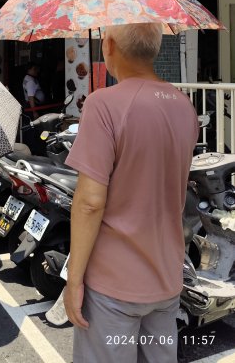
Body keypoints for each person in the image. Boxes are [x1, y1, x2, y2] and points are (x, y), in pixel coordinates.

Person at [63, 23, 199, 363]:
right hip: (167, 277)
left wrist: (74, 279)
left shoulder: (102, 105)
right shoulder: (184, 106)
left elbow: (90, 202)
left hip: (113, 285)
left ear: (107, 45)